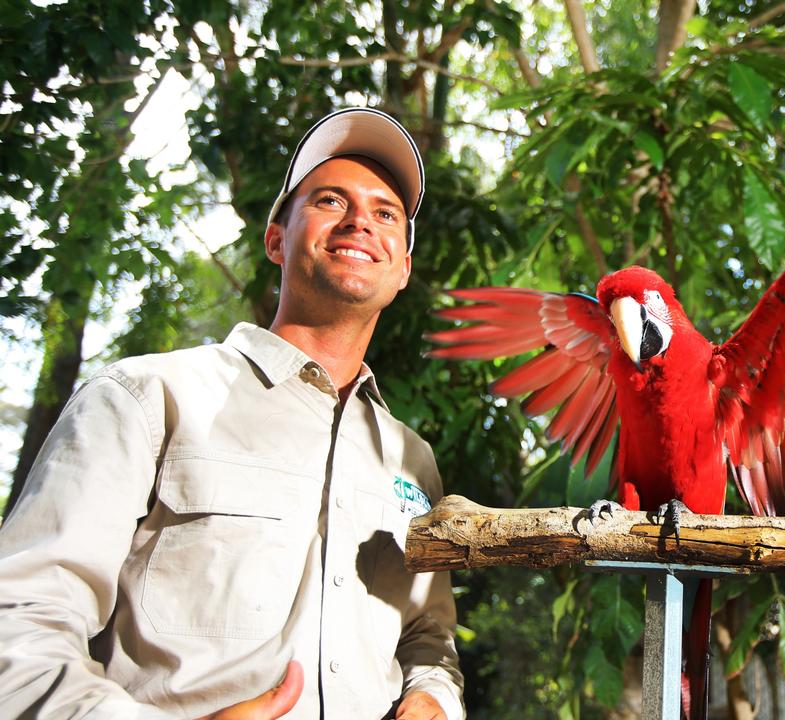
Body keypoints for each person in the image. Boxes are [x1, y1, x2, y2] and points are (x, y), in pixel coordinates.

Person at [0, 108, 464, 719]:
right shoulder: (145, 396)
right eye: (330, 200)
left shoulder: (412, 460)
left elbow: (429, 640)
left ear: (402, 267)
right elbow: (22, 624)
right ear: (276, 238)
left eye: (386, 213)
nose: (361, 221)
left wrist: (433, 696)